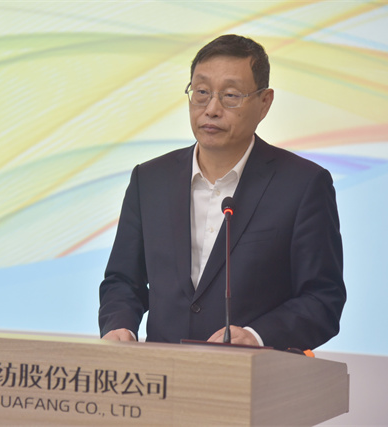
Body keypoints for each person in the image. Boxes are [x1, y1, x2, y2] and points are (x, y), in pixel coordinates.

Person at [98, 34, 346, 351]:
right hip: (161, 372)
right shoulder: (149, 180)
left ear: (264, 102)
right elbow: (123, 281)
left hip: (253, 374)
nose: (212, 109)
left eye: (230, 96)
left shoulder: (302, 185)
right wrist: (119, 325)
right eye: (201, 93)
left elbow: (323, 299)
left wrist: (257, 335)